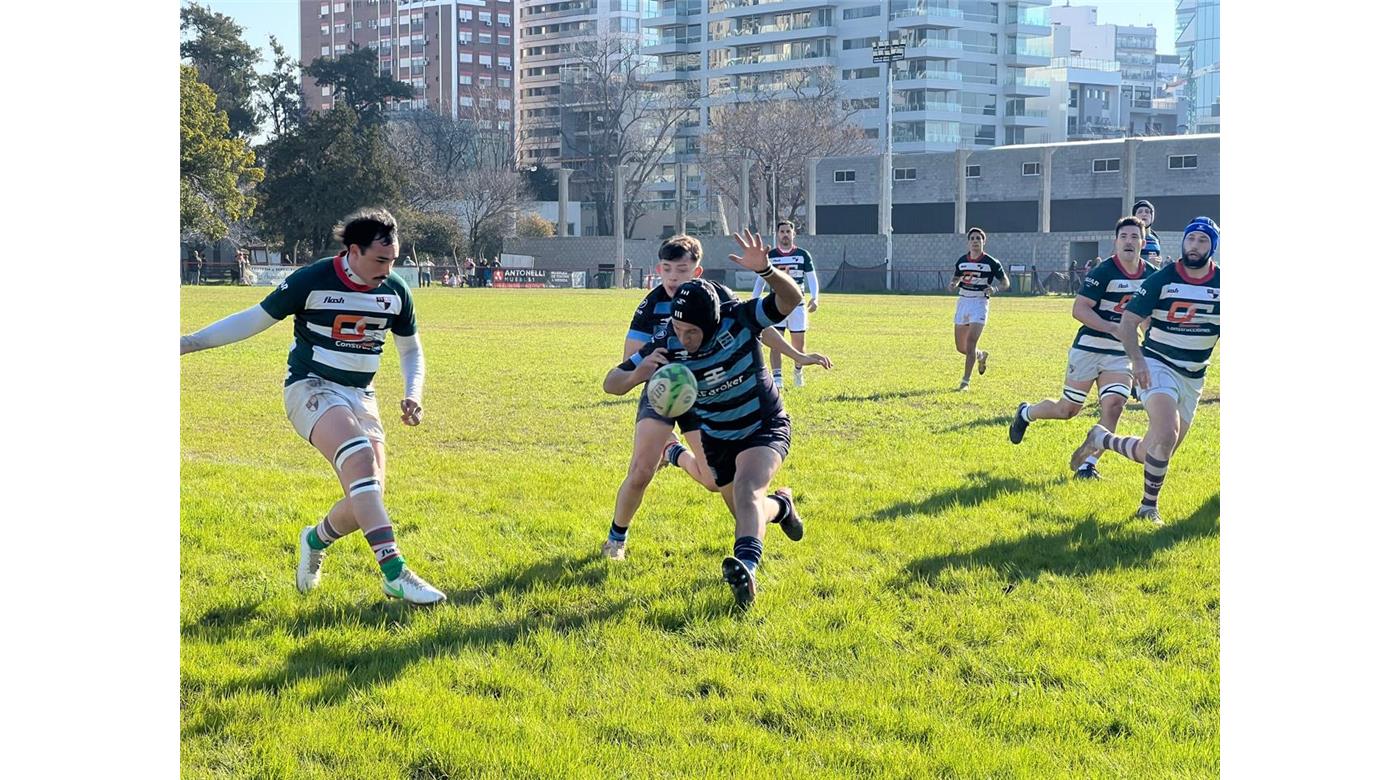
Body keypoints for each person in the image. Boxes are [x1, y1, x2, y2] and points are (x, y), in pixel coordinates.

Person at [179, 207, 446, 604]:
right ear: (353, 251)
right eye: (380, 260)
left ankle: (314, 538)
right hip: (311, 387)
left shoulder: (394, 292)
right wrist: (186, 343)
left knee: (366, 500)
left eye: (393, 260)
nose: (388, 269)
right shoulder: (312, 280)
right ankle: (395, 572)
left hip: (362, 396)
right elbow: (252, 319)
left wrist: (414, 392)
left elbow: (410, 351)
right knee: (359, 465)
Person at [603, 230, 809, 608]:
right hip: (718, 436)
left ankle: (746, 571)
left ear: (714, 322)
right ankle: (782, 507)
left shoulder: (737, 316)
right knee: (746, 505)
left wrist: (765, 269)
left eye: (691, 332)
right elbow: (610, 383)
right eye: (678, 330)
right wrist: (637, 373)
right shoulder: (669, 344)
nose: (682, 338)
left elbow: (791, 299)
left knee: (746, 492)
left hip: (762, 426)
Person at [1070, 217, 1221, 525]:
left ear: (1213, 248)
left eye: (1202, 241)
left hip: (1194, 376)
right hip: (1157, 364)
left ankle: (1101, 438)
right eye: (1190, 240)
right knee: (1167, 433)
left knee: (1154, 450)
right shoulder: (1162, 279)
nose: (1194, 246)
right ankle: (1147, 508)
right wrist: (1138, 362)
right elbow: (1127, 323)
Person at [1009, 217, 1153, 479]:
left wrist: (1146, 347)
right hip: (1089, 347)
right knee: (1068, 410)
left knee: (1114, 406)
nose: (1129, 241)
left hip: (1120, 354)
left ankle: (1088, 466)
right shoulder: (1104, 272)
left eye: (1134, 237)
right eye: (1124, 237)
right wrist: (1112, 328)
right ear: (1116, 242)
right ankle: (1026, 412)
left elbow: (1146, 318)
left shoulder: (1151, 276)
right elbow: (1079, 309)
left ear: (1143, 242)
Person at [751, 220, 820, 390]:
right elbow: (761, 280)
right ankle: (777, 379)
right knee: (776, 342)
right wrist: (754, 300)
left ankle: (798, 371)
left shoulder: (803, 255)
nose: (785, 235)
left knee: (798, 345)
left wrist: (815, 297)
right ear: (777, 234)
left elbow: (811, 277)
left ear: (793, 234)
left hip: (797, 305)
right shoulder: (771, 256)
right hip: (776, 305)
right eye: (782, 231)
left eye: (788, 231)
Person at [947, 228, 1009, 391]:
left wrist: (994, 289)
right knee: (961, 348)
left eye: (978, 239)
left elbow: (1005, 282)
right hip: (963, 302)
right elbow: (957, 276)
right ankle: (980, 355)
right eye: (972, 238)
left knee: (970, 343)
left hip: (980, 303)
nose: (975, 241)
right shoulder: (961, 261)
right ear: (968, 242)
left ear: (983, 241)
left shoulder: (992, 263)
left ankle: (965, 382)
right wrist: (953, 283)